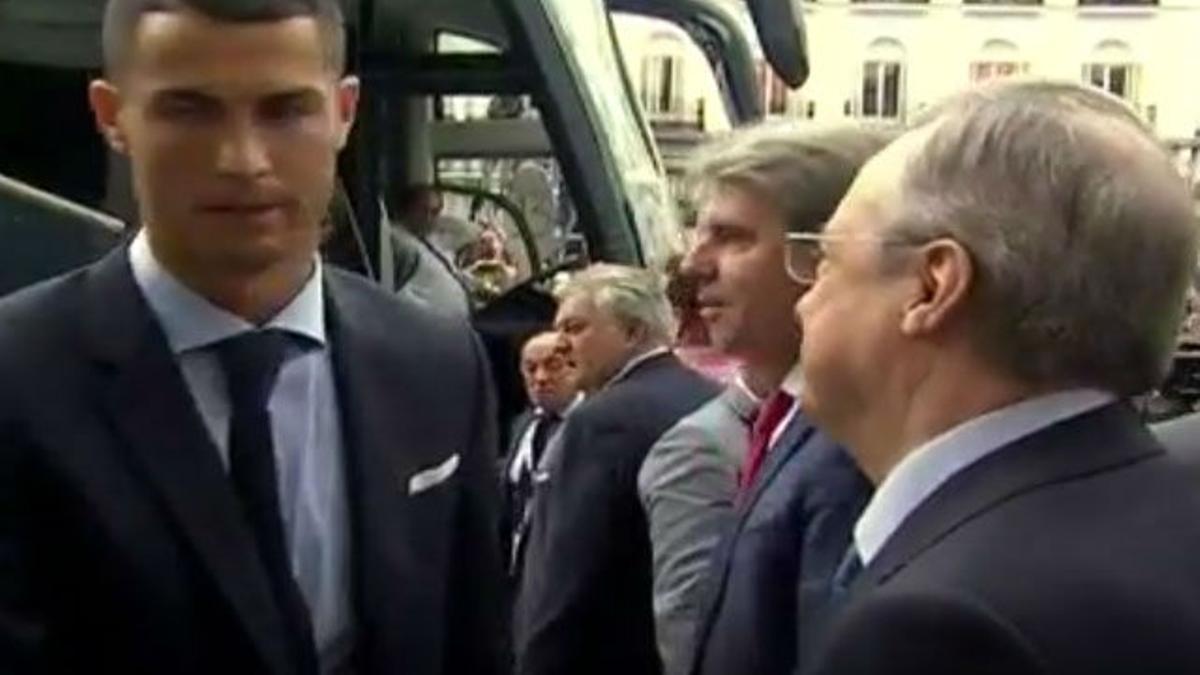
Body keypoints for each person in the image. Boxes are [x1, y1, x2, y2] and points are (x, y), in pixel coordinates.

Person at [0, 1, 503, 673]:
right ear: (111, 116)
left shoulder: (436, 364)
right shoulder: (18, 375)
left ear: (344, 113)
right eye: (189, 110)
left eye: (285, 109)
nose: (243, 159)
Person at [796, 80, 1200, 674]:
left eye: (825, 259)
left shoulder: (936, 627)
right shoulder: (1168, 509)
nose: (804, 300)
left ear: (931, 288)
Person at [662, 124, 887, 675]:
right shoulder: (792, 415)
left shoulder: (863, 442)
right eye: (698, 232)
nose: (694, 264)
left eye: (732, 237)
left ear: (826, 257)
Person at [514, 264, 720, 675]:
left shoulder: (601, 422)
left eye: (575, 328)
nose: (561, 345)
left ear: (632, 332)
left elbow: (565, 581)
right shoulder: (710, 396)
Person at [500, 331, 579, 582]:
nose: (541, 378)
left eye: (553, 366)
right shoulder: (523, 424)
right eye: (530, 369)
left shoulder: (590, 427)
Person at [390, 184, 473, 318]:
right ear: (407, 209)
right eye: (422, 210)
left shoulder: (430, 240)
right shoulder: (397, 239)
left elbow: (468, 232)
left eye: (434, 212)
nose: (428, 218)